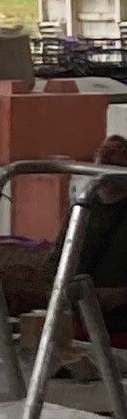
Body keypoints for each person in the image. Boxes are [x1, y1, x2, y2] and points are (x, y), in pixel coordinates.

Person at [72, 135, 127, 333]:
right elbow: (58, 258)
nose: (106, 155)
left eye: (118, 151)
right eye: (102, 151)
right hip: (81, 318)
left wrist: (121, 295)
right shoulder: (83, 206)